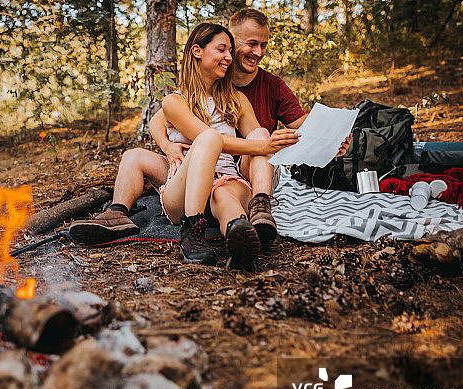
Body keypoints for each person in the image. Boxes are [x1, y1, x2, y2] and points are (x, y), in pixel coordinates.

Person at [69, 8, 349, 254]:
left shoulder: (239, 96)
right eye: (224, 50)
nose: (230, 57)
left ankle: (246, 228)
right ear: (198, 51)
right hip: (186, 178)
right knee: (145, 153)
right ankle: (120, 214)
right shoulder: (176, 101)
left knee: (232, 181)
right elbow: (172, 126)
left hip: (231, 175)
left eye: (231, 51)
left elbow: (266, 135)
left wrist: (325, 141)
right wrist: (168, 146)